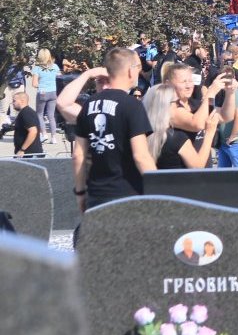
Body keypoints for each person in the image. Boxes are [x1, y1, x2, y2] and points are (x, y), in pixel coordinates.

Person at [72, 48, 156, 213]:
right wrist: (160, 189)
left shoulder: (89, 104)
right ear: (130, 71)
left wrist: (80, 192)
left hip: (96, 195)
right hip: (128, 196)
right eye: (137, 67)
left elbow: (78, 155)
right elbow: (141, 156)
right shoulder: (132, 105)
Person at [143, 84, 220, 170]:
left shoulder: (143, 135)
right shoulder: (177, 138)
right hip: (179, 179)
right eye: (176, 102)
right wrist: (209, 134)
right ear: (166, 106)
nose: (178, 105)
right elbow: (198, 166)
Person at [215, 67, 238, 167]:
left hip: (235, 142)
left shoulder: (235, 93)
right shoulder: (224, 93)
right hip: (224, 141)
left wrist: (231, 138)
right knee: (223, 173)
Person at [30, 49, 61, 145]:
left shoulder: (37, 68)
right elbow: (59, 77)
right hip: (53, 92)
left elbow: (34, 84)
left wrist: (41, 85)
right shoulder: (55, 66)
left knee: (39, 114)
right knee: (51, 115)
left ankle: (44, 134)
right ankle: (54, 137)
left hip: (42, 92)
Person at [10, 92, 43, 157]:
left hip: (30, 154)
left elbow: (33, 131)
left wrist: (22, 149)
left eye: (14, 101)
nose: (12, 103)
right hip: (26, 154)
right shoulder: (24, 112)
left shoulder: (26, 113)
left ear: (22, 101)